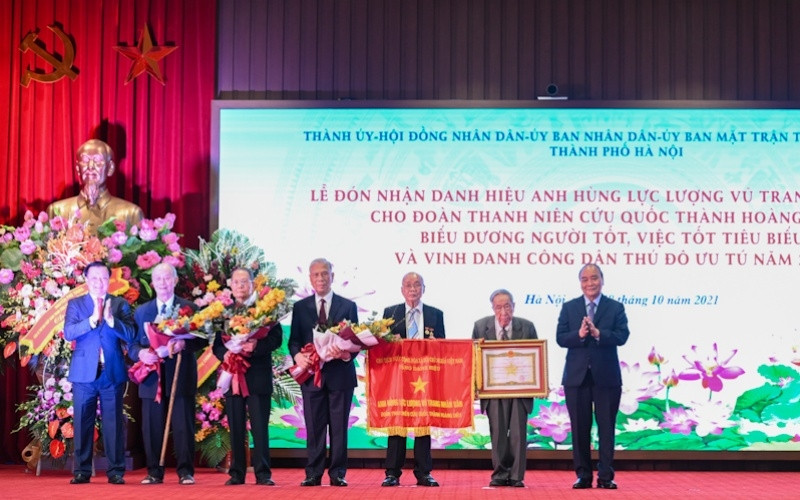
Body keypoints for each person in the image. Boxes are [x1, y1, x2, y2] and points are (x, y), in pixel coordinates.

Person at [556, 263, 630, 490]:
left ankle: (606, 476)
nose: (590, 283)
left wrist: (599, 334)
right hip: (576, 378)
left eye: (594, 278)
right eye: (585, 279)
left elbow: (622, 335)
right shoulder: (569, 308)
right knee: (579, 428)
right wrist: (579, 335)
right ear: (580, 283)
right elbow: (560, 338)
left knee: (606, 427)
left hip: (606, 377)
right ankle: (583, 476)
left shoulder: (615, 307)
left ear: (602, 280)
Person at [128, 262, 203, 485]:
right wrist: (140, 354)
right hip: (152, 378)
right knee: (151, 427)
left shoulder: (189, 308)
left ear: (175, 281)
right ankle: (154, 471)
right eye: (158, 279)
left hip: (181, 374)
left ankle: (185, 471)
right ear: (152, 283)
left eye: (167, 278)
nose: (163, 283)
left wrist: (184, 345)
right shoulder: (142, 311)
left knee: (183, 425)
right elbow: (131, 345)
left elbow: (203, 339)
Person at [63, 261, 136, 485]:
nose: (99, 283)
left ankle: (115, 471)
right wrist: (92, 320)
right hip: (84, 374)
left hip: (111, 373)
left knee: (113, 424)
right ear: (86, 280)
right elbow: (68, 332)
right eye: (94, 278)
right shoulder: (76, 304)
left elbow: (131, 335)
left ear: (109, 280)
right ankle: (82, 471)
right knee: (82, 423)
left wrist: (112, 322)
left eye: (104, 278)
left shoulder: (120, 304)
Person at [289, 258, 358, 487]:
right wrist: (298, 356)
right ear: (310, 278)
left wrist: (346, 353)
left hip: (340, 376)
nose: (321, 278)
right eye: (316, 274)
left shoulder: (348, 306)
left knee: (339, 428)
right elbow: (294, 341)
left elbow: (356, 342)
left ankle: (338, 473)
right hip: (311, 376)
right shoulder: (300, 307)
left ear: (332, 276)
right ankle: (314, 473)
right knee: (315, 426)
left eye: (324, 274)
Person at [212, 267, 283, 486]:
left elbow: (276, 340)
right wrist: (228, 354)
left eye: (245, 282)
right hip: (233, 374)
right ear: (230, 286)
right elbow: (216, 346)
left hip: (257, 377)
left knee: (260, 427)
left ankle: (263, 474)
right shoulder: (222, 312)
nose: (241, 286)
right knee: (235, 426)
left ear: (252, 284)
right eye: (237, 282)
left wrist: (256, 345)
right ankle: (237, 473)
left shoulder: (265, 310)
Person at [380, 272, 445, 488]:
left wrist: (436, 344)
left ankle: (424, 473)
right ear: (402, 289)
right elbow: (382, 347)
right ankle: (392, 473)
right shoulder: (391, 313)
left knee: (422, 425)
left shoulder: (436, 314)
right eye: (408, 285)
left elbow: (443, 348)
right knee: (397, 424)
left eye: (417, 285)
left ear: (424, 289)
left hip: (424, 377)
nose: (413, 289)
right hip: (398, 377)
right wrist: (390, 342)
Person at [472, 289, 537, 488]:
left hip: (520, 391)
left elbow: (536, 358)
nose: (503, 311)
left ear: (514, 306)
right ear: (492, 308)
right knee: (498, 432)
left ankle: (517, 476)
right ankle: (499, 474)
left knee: (518, 434)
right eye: (498, 307)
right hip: (493, 392)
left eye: (507, 306)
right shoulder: (481, 326)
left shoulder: (526, 327)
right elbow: (474, 358)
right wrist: (475, 386)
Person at [47, 139, 144, 234]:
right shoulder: (56, 211)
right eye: (85, 160)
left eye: (97, 161)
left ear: (110, 168)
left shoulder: (131, 213)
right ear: (77, 168)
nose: (90, 166)